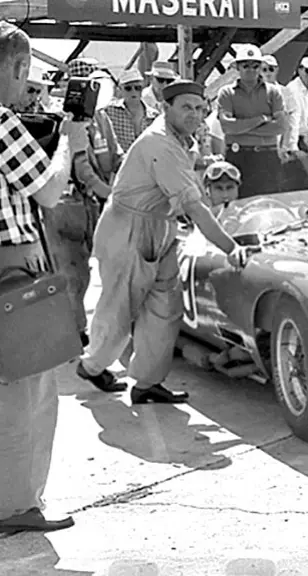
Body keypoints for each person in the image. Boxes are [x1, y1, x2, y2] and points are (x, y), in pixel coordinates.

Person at [75, 80, 251, 403]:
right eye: (186, 107)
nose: (194, 115)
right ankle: (92, 365)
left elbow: (188, 177)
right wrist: (231, 248)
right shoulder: (160, 143)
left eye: (200, 109)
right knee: (119, 308)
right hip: (127, 230)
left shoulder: (182, 139)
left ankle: (146, 383)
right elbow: (194, 204)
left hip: (160, 227)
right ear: (165, 108)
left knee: (166, 309)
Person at [0, 19, 88, 533]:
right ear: (15, 65)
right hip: (13, 262)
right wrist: (67, 144)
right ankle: (17, 506)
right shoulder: (3, 124)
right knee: (25, 395)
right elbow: (50, 190)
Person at [46, 69, 124, 347]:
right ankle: (74, 332)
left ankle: (78, 328)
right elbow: (82, 170)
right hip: (71, 204)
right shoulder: (69, 122)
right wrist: (115, 196)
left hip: (93, 205)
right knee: (73, 272)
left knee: (90, 270)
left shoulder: (101, 118)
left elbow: (115, 156)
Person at [217, 44, 287, 198]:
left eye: (255, 66)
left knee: (270, 204)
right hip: (237, 156)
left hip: (267, 157)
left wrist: (242, 126)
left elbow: (281, 127)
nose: (251, 70)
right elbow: (227, 127)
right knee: (236, 204)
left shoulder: (274, 92)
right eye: (246, 65)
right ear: (237, 67)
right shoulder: (226, 92)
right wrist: (260, 120)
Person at [105, 68, 160, 152]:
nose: (133, 91)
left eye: (137, 88)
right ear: (120, 89)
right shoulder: (109, 111)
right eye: (128, 88)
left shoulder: (155, 116)